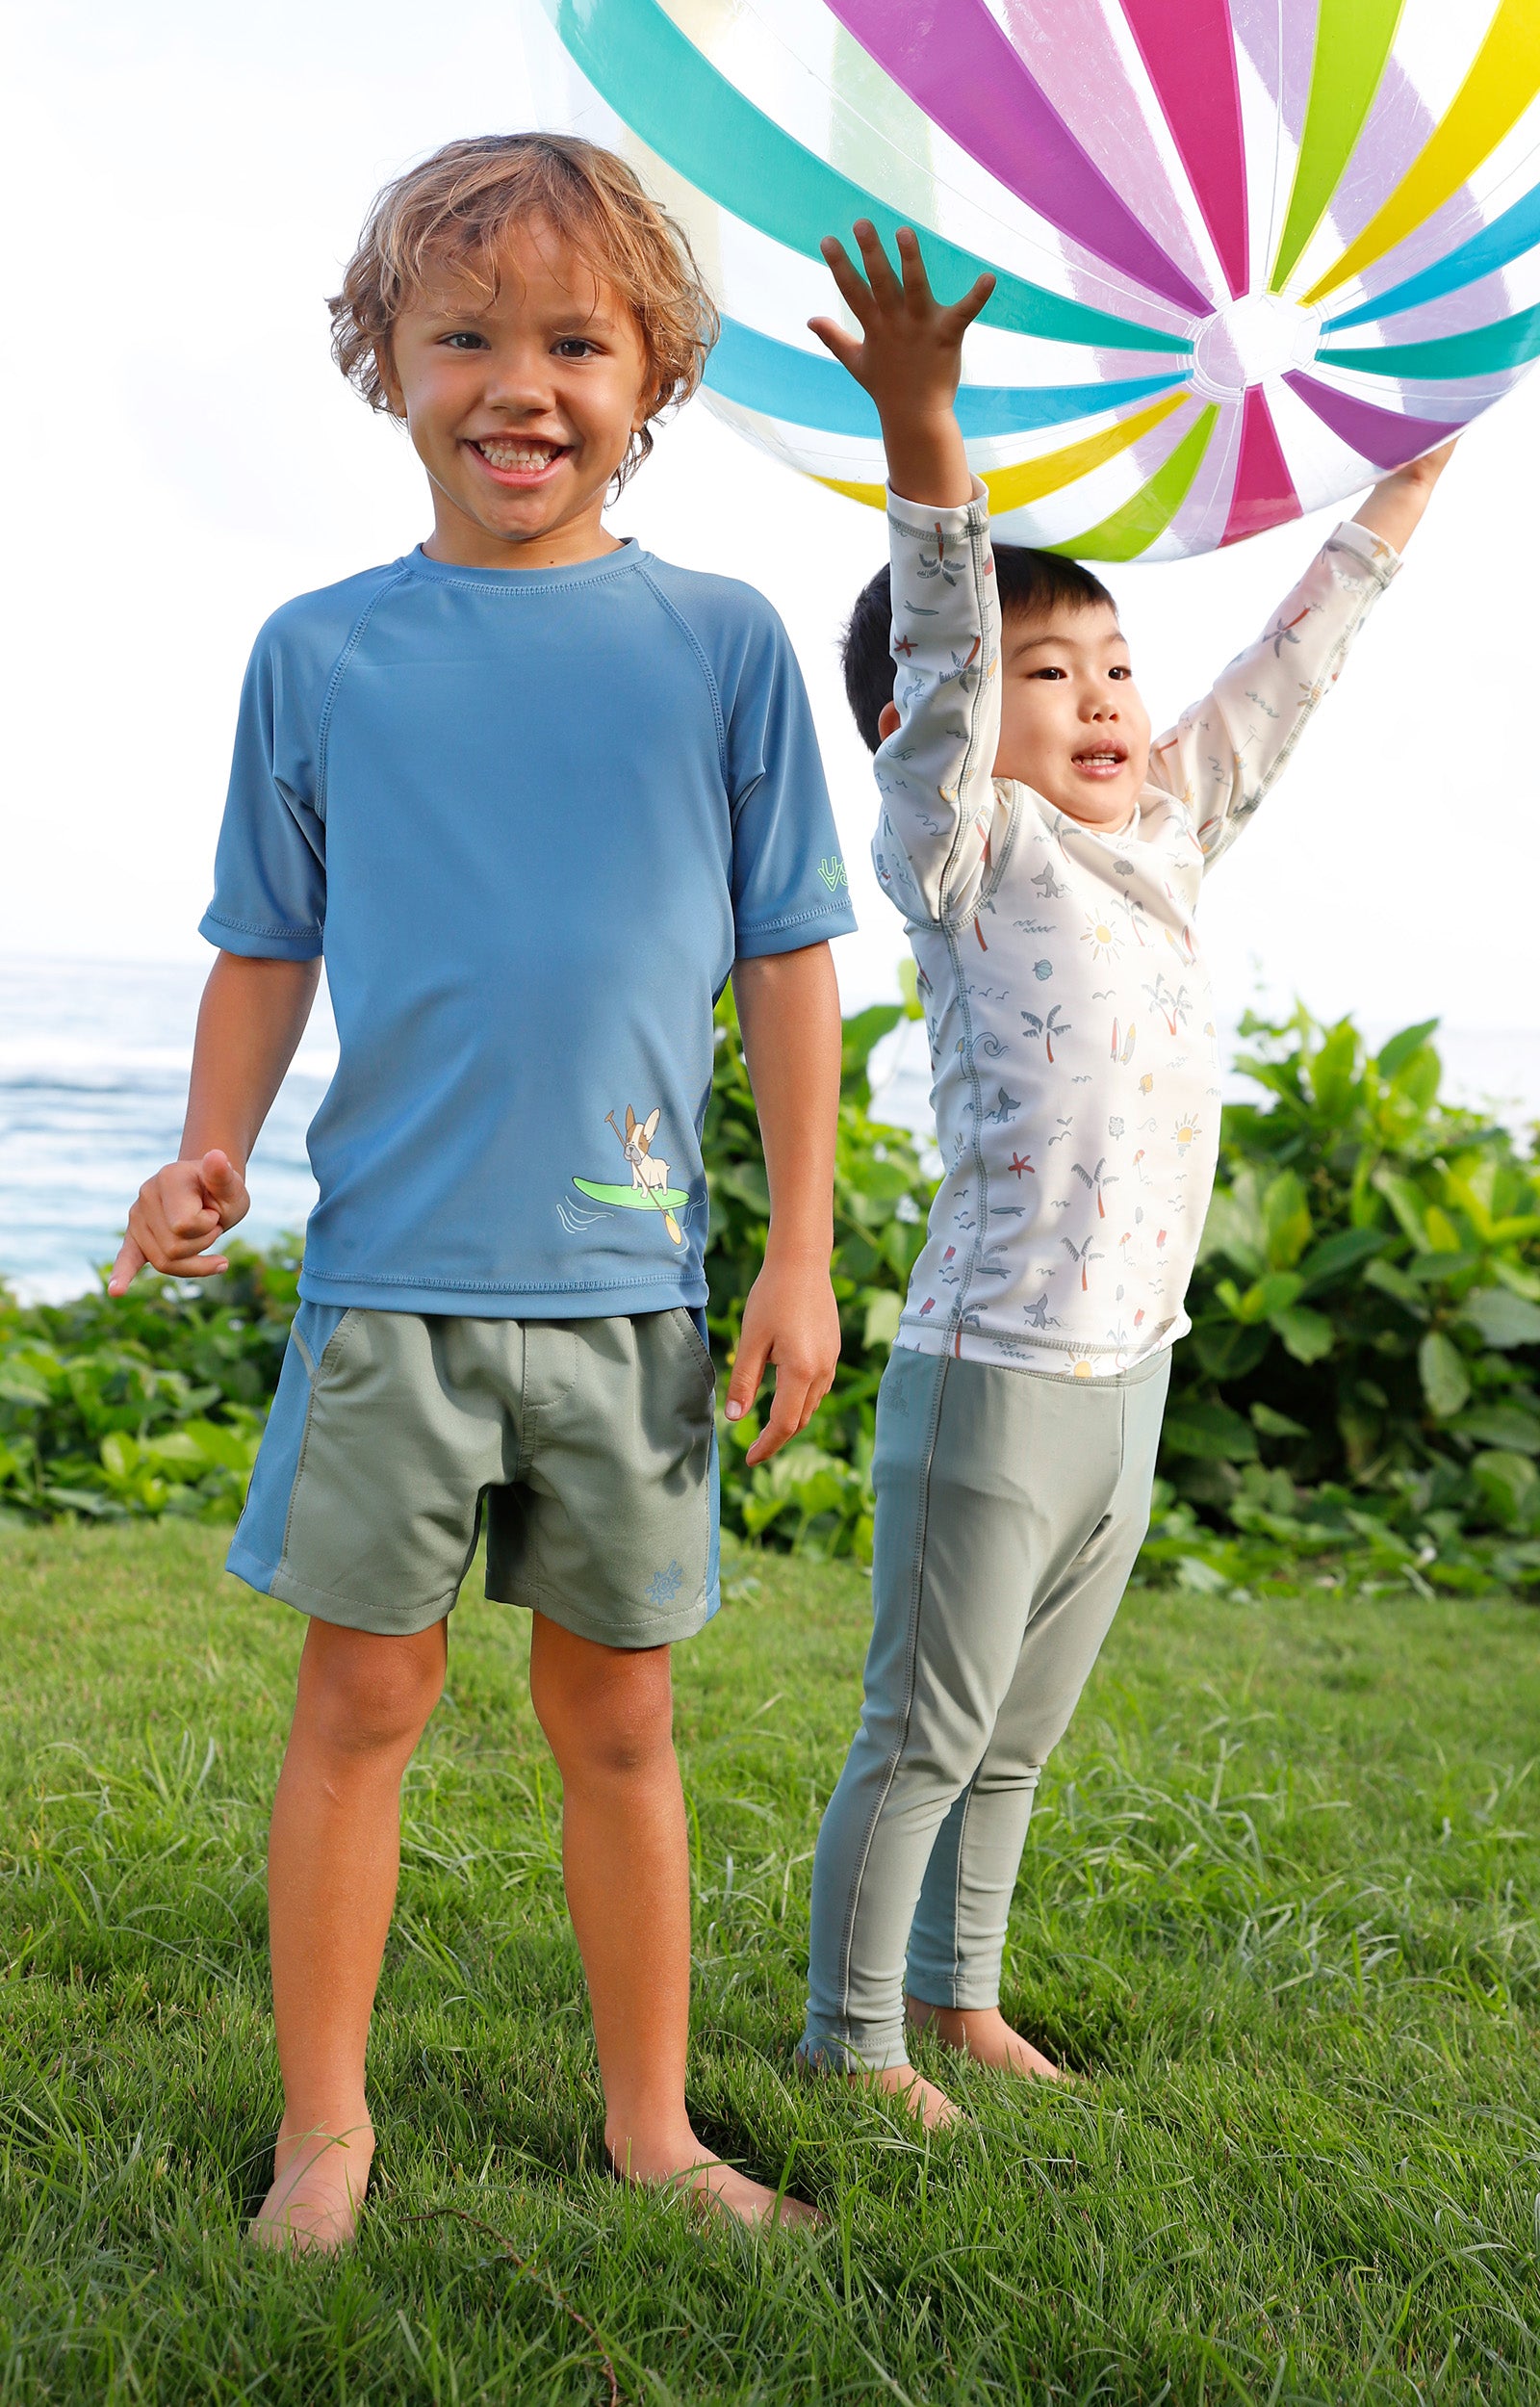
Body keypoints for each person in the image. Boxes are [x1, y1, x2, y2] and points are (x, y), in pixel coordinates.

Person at [109, 134, 856, 2243]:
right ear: (388, 362)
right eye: (464, 335)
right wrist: (211, 1151)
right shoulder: (320, 653)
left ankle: (651, 2123)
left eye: (572, 340)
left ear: (652, 374)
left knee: (618, 1720)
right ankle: (324, 2125)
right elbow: (266, 939)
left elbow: (788, 952)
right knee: (362, 1700)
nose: (517, 383)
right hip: (393, 1286)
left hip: (628, 1293)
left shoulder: (718, 644)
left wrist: (796, 1251)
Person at [796, 219, 1451, 2127]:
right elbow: (938, 646)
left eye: (1110, 661)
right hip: (992, 1373)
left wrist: (1391, 495)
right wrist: (926, 432)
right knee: (920, 1729)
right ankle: (850, 2043)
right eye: (1047, 669)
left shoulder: (1161, 830)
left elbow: (1286, 677)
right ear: (944, 730)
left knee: (1016, 1735)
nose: (1098, 699)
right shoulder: (962, 848)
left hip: (1126, 1373)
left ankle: (964, 1996)